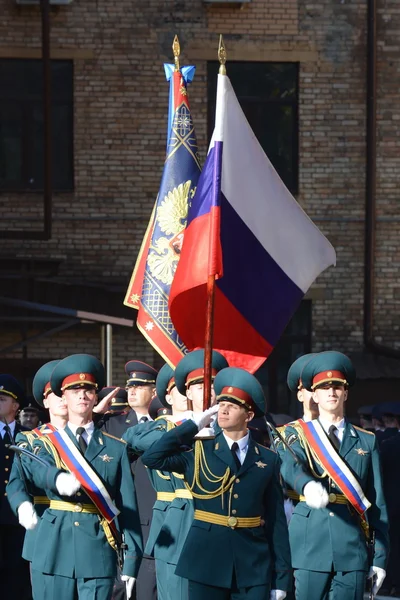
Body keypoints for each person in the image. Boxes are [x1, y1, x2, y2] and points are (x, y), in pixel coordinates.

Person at [142, 366, 291, 600]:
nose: (224, 410)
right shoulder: (200, 449)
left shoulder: (268, 459)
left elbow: (276, 521)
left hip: (252, 566)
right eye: (221, 404)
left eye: (232, 406)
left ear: (249, 415)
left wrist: (281, 577)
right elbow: (152, 457)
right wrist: (192, 427)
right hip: (206, 563)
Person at [27, 353, 143, 600]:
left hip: (98, 551)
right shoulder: (45, 443)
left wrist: (132, 560)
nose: (82, 395)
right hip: (54, 550)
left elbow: (128, 507)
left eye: (88, 390)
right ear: (63, 397)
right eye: (74, 390)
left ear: (96, 396)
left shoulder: (116, 447)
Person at [278, 351, 389, 600]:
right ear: (314, 395)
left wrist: (380, 556)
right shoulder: (297, 435)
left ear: (346, 393)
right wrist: (307, 486)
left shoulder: (366, 440)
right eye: (324, 387)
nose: (331, 392)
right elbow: (289, 468)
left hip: (351, 549)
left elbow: (377, 503)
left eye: (337, 386)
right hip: (308, 546)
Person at [100, 361, 159, 600]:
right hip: (118, 519)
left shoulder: (163, 423)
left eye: (140, 386)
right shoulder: (112, 423)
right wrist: (96, 412)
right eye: (130, 386)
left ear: (154, 392)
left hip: (151, 519)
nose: (132, 390)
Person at [7, 360, 68, 572]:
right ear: (45, 400)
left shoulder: (97, 438)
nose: (63, 399)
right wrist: (22, 504)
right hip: (43, 524)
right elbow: (15, 482)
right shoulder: (30, 439)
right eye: (57, 394)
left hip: (88, 537)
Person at [0, 374, 31, 600]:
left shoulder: (28, 436)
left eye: (2, 399)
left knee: (16, 578)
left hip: (18, 519)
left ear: (15, 405)